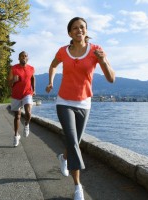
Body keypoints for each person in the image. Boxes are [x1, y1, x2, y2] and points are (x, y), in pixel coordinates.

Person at [45, 17, 115, 200]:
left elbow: (111, 79)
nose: (79, 30)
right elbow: (52, 66)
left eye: (82, 27)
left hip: (84, 103)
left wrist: (104, 61)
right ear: (69, 33)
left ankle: (64, 158)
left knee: (74, 141)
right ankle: (78, 187)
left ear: (86, 30)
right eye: (74, 28)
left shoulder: (95, 51)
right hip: (64, 102)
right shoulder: (63, 51)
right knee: (74, 142)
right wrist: (51, 81)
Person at [8, 51, 35, 147]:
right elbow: (8, 84)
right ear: (19, 58)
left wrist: (33, 89)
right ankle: (16, 136)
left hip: (27, 93)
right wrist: (13, 80)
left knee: (28, 112)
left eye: (25, 56)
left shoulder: (31, 68)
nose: (24, 57)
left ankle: (26, 125)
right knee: (17, 116)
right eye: (22, 56)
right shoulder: (14, 68)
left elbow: (32, 78)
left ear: (27, 58)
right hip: (16, 95)